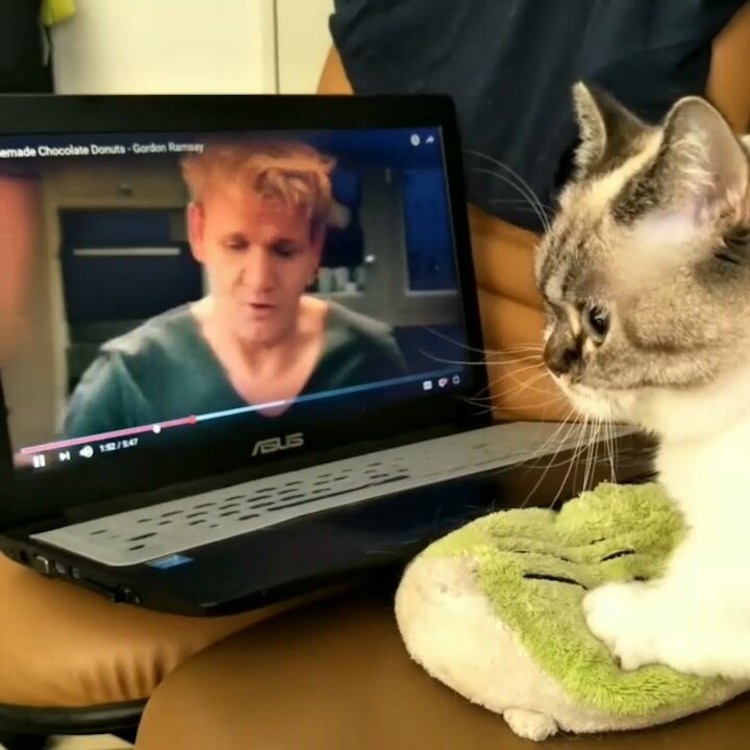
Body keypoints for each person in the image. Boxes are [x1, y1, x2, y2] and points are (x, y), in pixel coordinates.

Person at [62, 139, 408, 439]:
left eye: (284, 251)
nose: (259, 280)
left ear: (315, 247)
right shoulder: (126, 378)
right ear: (198, 233)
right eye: (236, 245)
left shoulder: (371, 355)